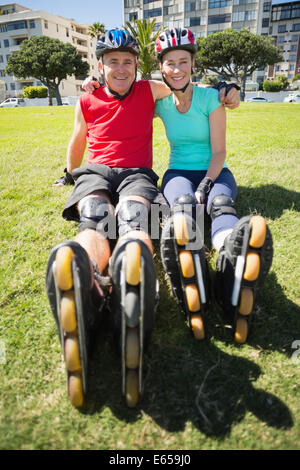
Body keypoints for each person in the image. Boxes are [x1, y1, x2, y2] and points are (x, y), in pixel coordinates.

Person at [46, 28, 241, 410]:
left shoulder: (149, 90)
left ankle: (131, 267)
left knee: (136, 216)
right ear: (100, 65)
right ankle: (83, 275)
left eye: (128, 62)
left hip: (137, 172)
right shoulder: (85, 99)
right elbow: (78, 138)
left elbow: (183, 80)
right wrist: (69, 173)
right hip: (97, 171)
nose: (121, 69)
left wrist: (226, 86)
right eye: (113, 62)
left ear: (138, 66)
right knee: (95, 214)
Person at [153, 28, 273, 344]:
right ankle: (191, 262)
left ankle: (231, 258)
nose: (177, 69)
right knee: (182, 209)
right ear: (161, 67)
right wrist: (93, 85)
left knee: (219, 204)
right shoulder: (160, 101)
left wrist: (206, 183)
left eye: (183, 61)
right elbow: (124, 92)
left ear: (193, 64)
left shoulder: (209, 97)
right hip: (178, 171)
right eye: (170, 63)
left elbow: (219, 151)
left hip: (215, 170)